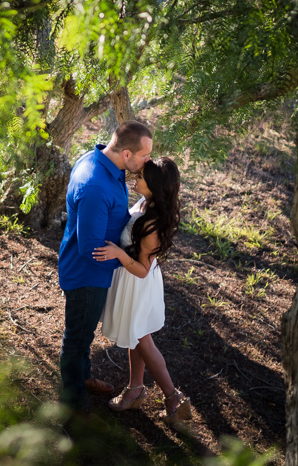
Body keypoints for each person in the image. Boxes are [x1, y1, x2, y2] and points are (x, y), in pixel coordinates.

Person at [58, 120, 153, 414]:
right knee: (76, 341)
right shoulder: (96, 185)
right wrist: (129, 258)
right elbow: (90, 248)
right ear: (126, 154)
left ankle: (84, 378)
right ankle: (73, 407)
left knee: (83, 334)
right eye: (144, 156)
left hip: (97, 271)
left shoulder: (102, 163)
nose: (147, 161)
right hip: (88, 276)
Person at [92, 156, 192, 424]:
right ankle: (136, 388)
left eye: (141, 178)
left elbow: (142, 269)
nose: (135, 179)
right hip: (131, 280)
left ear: (154, 186)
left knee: (143, 340)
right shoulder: (147, 204)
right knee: (135, 336)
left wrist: (117, 253)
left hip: (137, 282)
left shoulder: (152, 225)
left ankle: (173, 398)